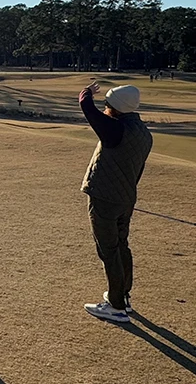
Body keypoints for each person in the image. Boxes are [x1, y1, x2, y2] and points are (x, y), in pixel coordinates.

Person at [79, 83, 152, 323]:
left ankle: (116, 305)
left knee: (108, 249)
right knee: (121, 245)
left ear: (116, 108)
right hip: (126, 198)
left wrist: (87, 91)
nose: (105, 108)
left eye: (108, 104)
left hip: (105, 198)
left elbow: (86, 107)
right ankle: (123, 295)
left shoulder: (114, 129)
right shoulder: (143, 132)